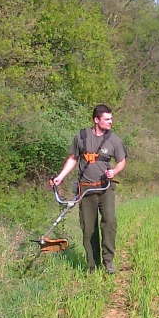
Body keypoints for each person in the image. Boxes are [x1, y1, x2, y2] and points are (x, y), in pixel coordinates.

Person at [52, 104, 127, 274]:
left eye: (111, 119)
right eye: (107, 119)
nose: (111, 122)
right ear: (96, 120)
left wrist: (114, 171)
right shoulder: (81, 137)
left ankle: (108, 261)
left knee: (109, 221)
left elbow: (122, 161)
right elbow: (73, 158)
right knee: (88, 228)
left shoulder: (114, 140)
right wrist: (60, 176)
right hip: (85, 188)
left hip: (105, 188)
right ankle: (93, 265)